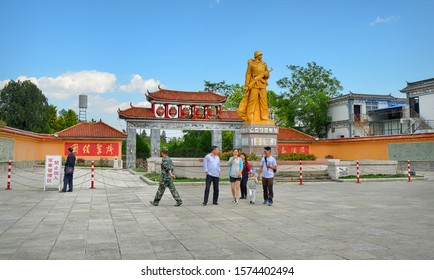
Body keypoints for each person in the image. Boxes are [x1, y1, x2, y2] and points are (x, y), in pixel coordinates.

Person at [236, 50, 272, 123]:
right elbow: (248, 74)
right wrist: (246, 85)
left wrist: (266, 75)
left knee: (264, 101)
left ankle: (264, 116)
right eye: (260, 55)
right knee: (252, 100)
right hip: (254, 84)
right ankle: (250, 116)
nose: (261, 57)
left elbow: (267, 75)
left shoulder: (264, 64)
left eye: (261, 55)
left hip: (262, 84)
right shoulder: (251, 64)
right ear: (256, 56)